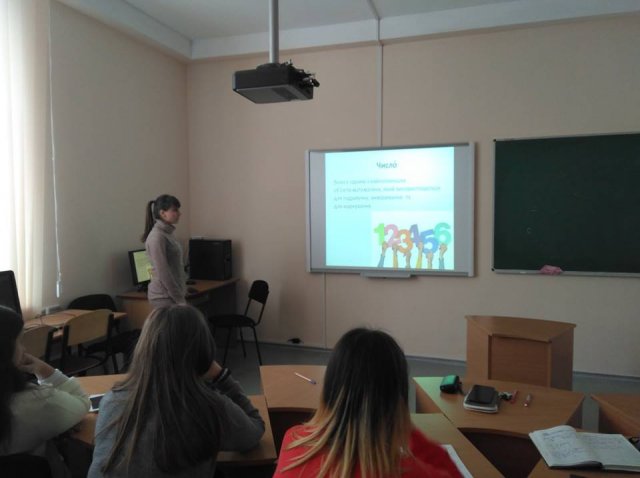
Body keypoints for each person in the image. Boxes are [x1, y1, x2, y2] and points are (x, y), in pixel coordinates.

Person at [88, 304, 264, 478]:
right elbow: (254, 431)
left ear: (143, 348)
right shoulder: (211, 407)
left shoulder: (111, 400)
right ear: (203, 350)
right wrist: (222, 377)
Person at [274, 328, 462, 478]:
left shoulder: (293, 441)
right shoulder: (405, 471)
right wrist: (409, 431)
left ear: (329, 390)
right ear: (397, 403)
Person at [0, 305, 90, 477]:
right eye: (19, 342)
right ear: (5, 351)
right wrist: (44, 370)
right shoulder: (38, 403)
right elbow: (82, 402)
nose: (24, 349)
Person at [140, 194, 187, 308]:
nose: (179, 213)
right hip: (163, 297)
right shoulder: (157, 237)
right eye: (175, 210)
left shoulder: (168, 234)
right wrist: (179, 299)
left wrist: (183, 289)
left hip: (173, 294)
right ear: (162, 213)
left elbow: (175, 267)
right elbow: (163, 273)